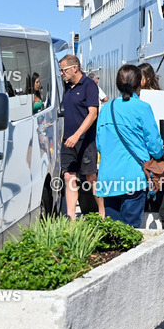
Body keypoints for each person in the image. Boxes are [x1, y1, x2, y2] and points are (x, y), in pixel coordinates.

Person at [95, 65, 164, 228]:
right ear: (139, 83)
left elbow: (100, 144)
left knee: (113, 232)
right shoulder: (142, 108)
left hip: (109, 179)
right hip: (133, 178)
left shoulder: (106, 109)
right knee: (130, 232)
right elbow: (155, 146)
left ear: (118, 84)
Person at [59, 55, 104, 219]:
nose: (62, 73)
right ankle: (71, 217)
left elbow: (93, 114)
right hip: (68, 140)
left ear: (74, 68)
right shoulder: (66, 87)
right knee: (69, 175)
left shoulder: (89, 85)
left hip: (85, 141)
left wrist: (77, 135)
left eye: (64, 70)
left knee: (91, 176)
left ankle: (102, 213)